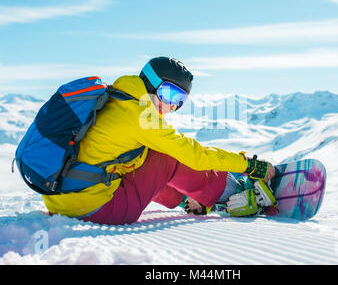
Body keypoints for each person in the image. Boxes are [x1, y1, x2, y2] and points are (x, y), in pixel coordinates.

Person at [42, 56, 276, 225]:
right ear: (151, 83)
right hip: (95, 210)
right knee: (166, 156)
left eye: (179, 100)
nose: (171, 106)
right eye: (169, 94)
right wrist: (248, 165)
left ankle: (192, 197)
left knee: (145, 155)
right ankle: (231, 192)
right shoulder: (142, 116)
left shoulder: (118, 98)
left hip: (64, 202)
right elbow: (195, 154)